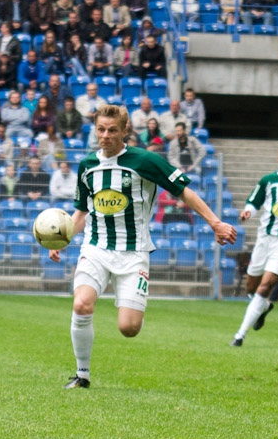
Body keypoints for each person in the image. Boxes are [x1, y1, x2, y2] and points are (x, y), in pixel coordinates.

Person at [50, 105, 237, 388]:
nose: (106, 135)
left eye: (112, 130)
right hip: (96, 248)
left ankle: (128, 306)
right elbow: (81, 212)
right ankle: (82, 375)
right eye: (101, 129)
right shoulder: (87, 166)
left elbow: (183, 190)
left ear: (125, 130)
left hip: (134, 253)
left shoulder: (145, 161)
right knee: (81, 304)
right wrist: (63, 240)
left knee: (129, 328)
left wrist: (215, 222)